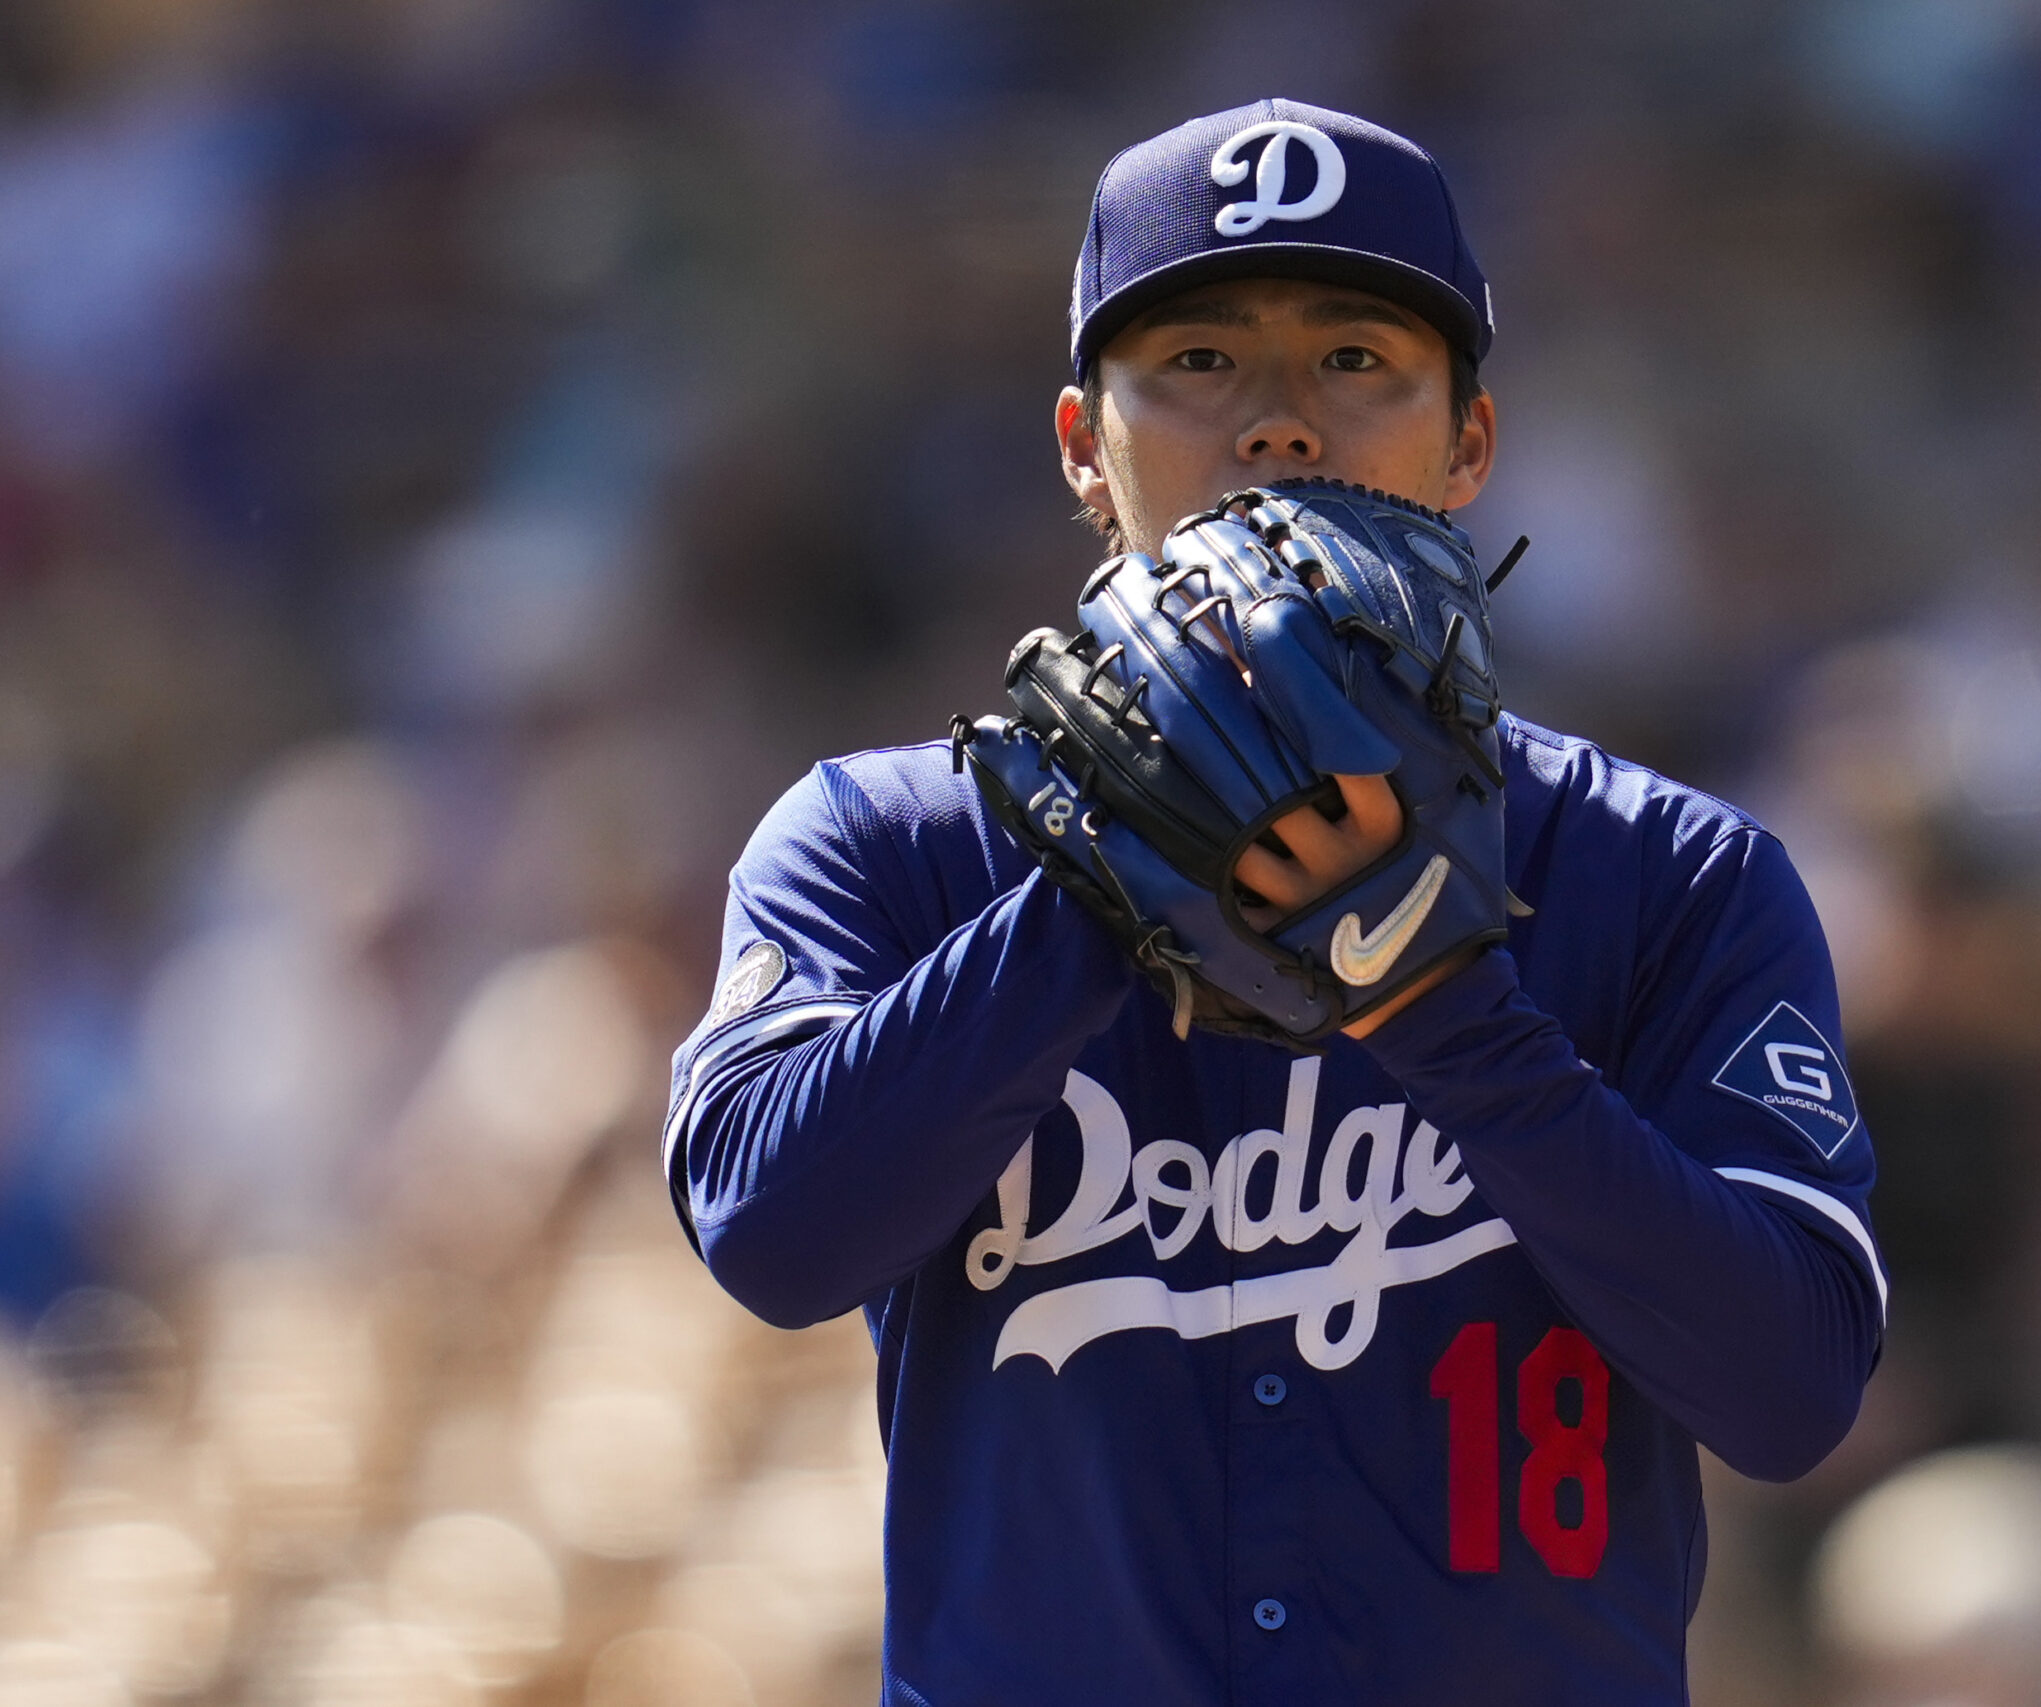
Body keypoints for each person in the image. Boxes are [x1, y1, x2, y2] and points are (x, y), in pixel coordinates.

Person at [663, 98, 1885, 1705]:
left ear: (1470, 443)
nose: (1282, 427)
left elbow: (1790, 1387)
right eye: (1202, 363)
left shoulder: (1666, 874)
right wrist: (1110, 878)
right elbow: (771, 1234)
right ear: (1083, 449)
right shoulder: (885, 841)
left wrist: (1444, 1012)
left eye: (1358, 361)